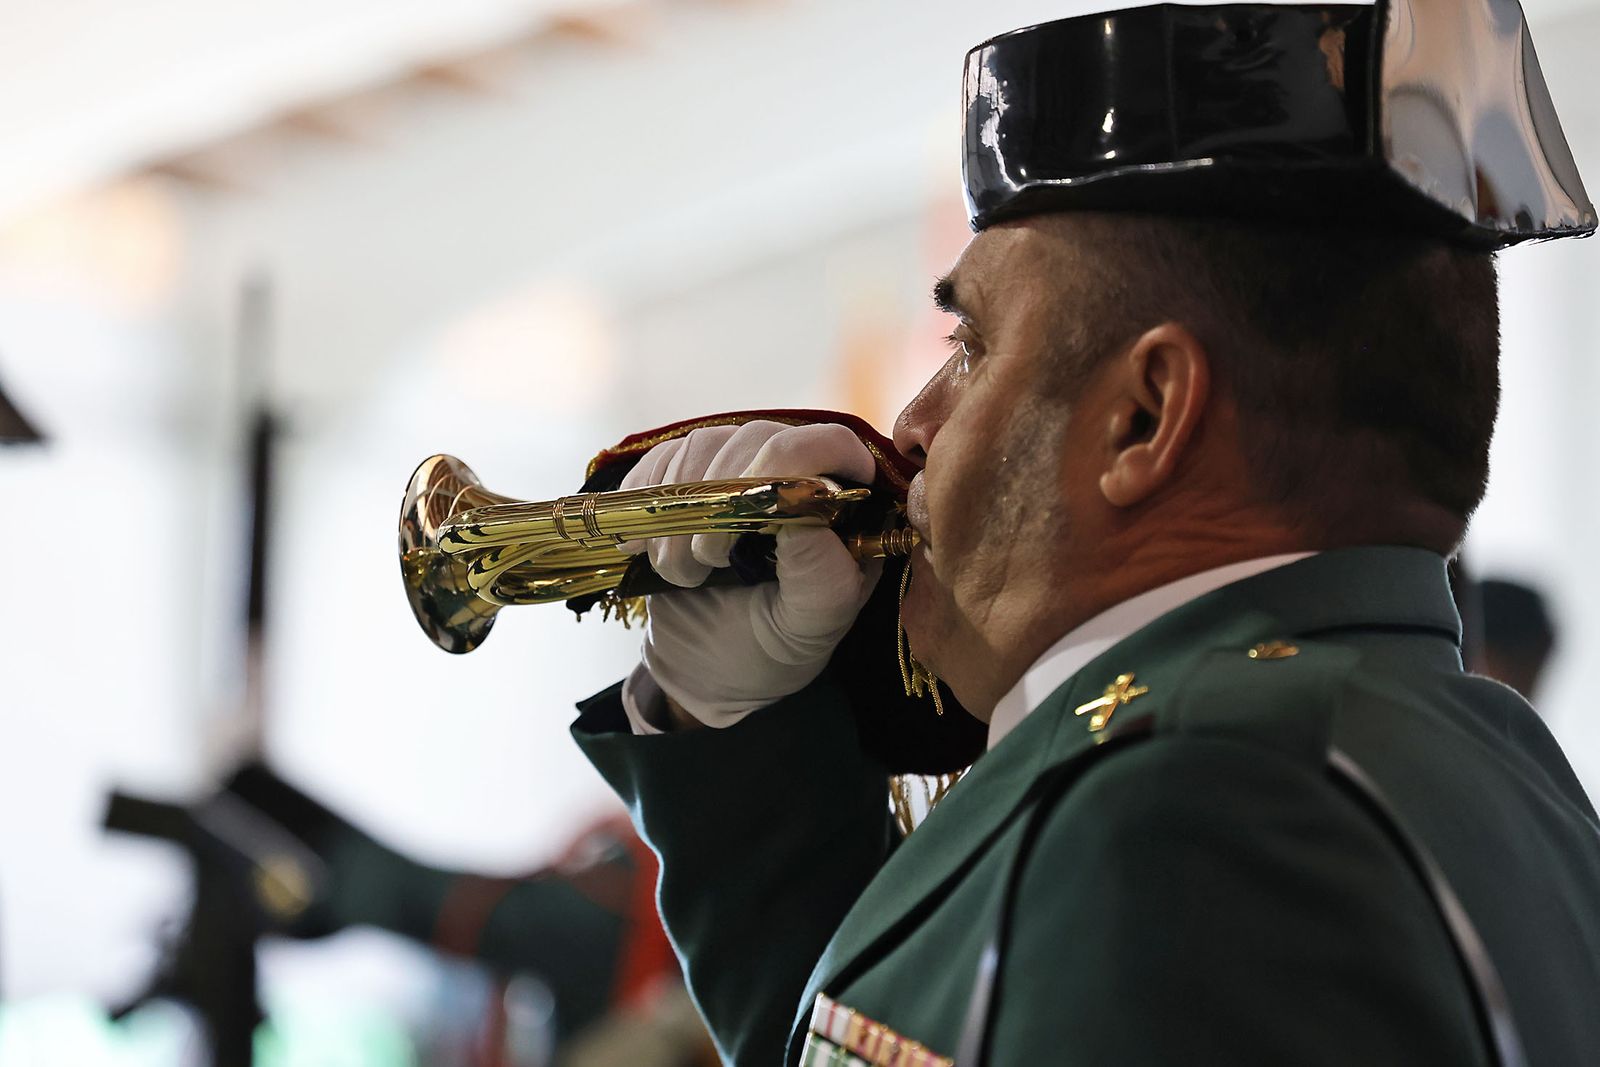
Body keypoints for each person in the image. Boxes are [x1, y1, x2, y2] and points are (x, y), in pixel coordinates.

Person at [570, 1, 1600, 1064]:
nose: (914, 426)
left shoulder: (1184, 815)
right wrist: (732, 717)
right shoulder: (1488, 764)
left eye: (969, 348)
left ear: (1143, 416)